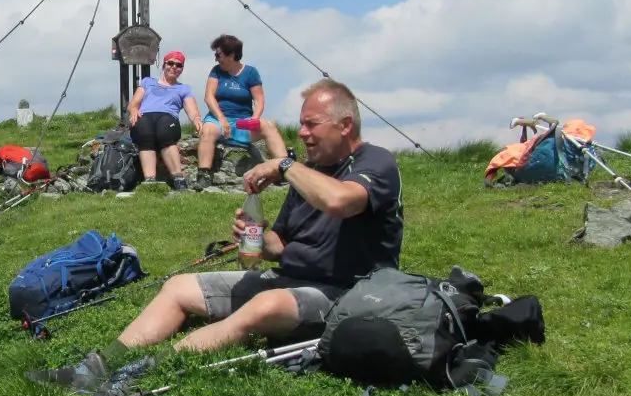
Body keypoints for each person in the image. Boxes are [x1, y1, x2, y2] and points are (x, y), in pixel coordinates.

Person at [97, 79, 402, 356]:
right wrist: (254, 237)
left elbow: (340, 202)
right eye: (301, 124)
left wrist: (284, 165)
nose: (302, 133)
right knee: (178, 287)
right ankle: (100, 364)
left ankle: (155, 365)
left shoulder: (376, 161)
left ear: (345, 125)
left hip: (346, 292)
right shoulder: (309, 172)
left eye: (312, 124)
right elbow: (279, 245)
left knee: (264, 306)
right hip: (287, 280)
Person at [127, 50, 204, 190]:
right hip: (145, 115)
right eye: (171, 63)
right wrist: (133, 110)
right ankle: (150, 179)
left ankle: (178, 178)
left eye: (178, 65)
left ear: (181, 70)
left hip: (167, 117)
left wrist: (197, 120)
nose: (174, 67)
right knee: (145, 133)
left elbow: (192, 110)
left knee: (164, 131)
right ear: (164, 65)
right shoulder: (147, 82)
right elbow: (134, 104)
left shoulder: (183, 89)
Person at [197, 34, 265, 185]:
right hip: (217, 119)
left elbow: (259, 99)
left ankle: (283, 166)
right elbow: (209, 97)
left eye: (218, 55)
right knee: (207, 131)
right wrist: (222, 119)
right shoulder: (216, 71)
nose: (216, 59)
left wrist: (255, 119)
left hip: (242, 120)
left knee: (269, 127)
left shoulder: (251, 72)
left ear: (231, 55)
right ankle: (203, 174)